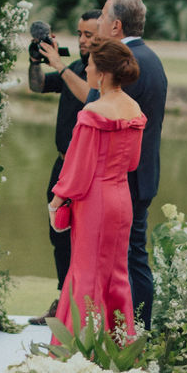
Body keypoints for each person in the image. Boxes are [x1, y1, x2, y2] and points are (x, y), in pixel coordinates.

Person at [49, 36, 146, 343]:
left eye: (89, 64)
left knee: (86, 276)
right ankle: (118, 347)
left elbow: (77, 172)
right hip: (121, 200)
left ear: (102, 73)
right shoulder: (134, 109)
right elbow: (132, 163)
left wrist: (55, 203)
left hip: (95, 202)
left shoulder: (93, 113)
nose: (86, 68)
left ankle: (79, 352)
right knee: (116, 275)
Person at [97, 0, 168, 328]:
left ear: (116, 26)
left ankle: (135, 330)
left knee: (128, 259)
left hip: (123, 178)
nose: (98, 21)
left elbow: (107, 119)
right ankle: (135, 329)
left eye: (102, 16)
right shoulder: (152, 59)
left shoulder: (127, 65)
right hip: (143, 173)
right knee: (134, 256)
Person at [27, 9, 100, 325]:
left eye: (89, 35)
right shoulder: (73, 67)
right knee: (57, 234)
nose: (82, 41)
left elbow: (93, 99)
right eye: (80, 34)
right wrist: (35, 60)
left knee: (83, 237)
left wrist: (60, 66)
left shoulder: (106, 76)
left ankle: (83, 308)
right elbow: (39, 86)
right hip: (62, 163)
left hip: (87, 170)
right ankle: (62, 299)